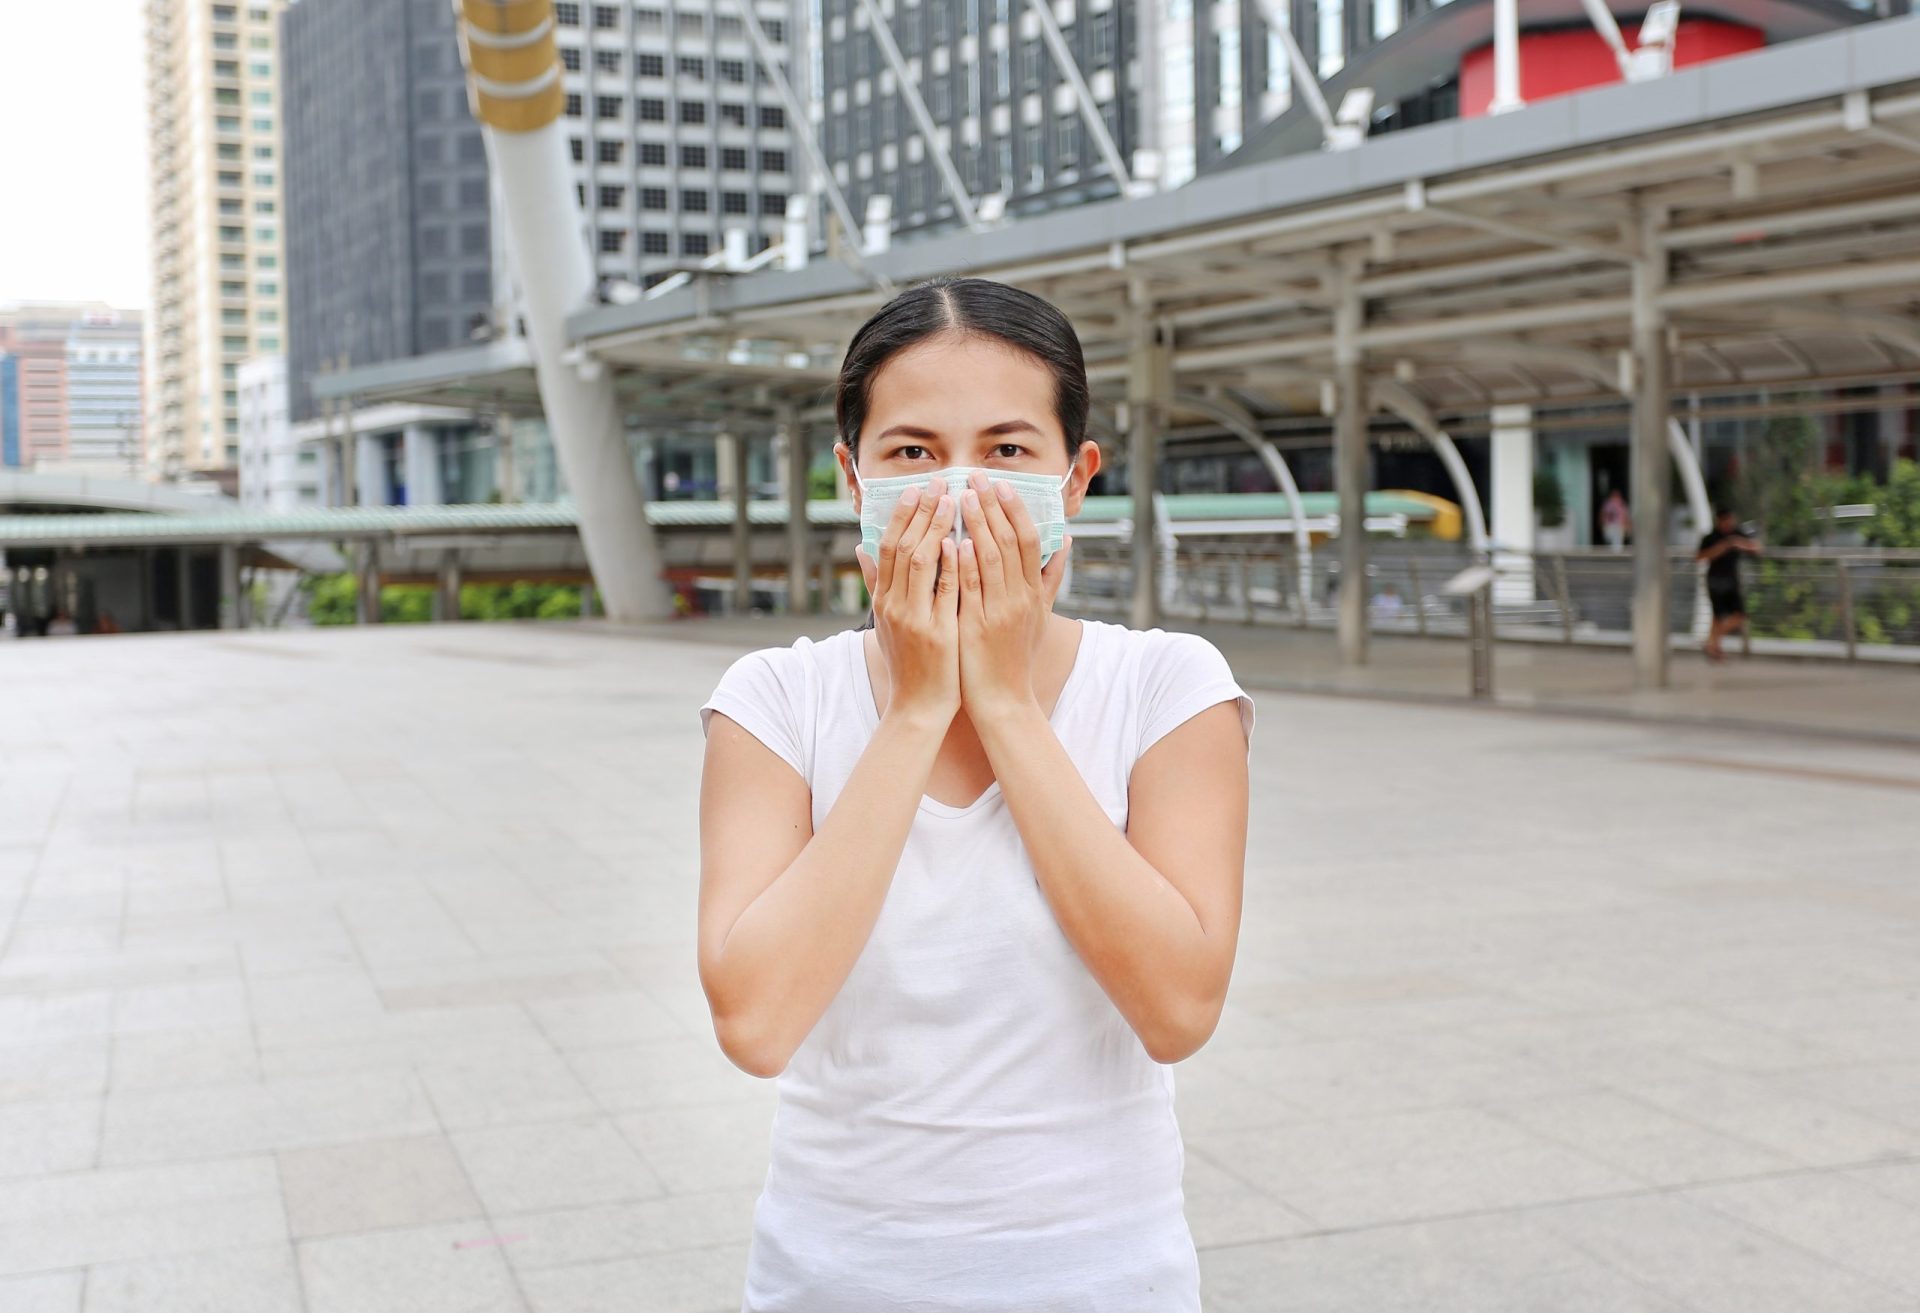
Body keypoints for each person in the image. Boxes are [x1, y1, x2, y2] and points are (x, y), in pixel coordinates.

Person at [697, 276, 1255, 1313]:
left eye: (1007, 451)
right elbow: (757, 1021)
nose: (960, 488)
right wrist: (916, 710)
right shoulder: (774, 700)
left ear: (1076, 476)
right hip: (832, 1279)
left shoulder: (1168, 689)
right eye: (912, 451)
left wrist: (1000, 699)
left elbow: (1178, 1007)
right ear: (852, 476)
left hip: (1106, 1280)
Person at [1696, 507, 1761, 662]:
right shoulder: (1711, 537)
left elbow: (1756, 548)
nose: (1730, 523)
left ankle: (1711, 642)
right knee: (1717, 616)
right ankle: (1714, 649)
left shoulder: (1737, 534)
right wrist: (1723, 547)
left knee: (1740, 615)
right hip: (1715, 581)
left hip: (1732, 581)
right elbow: (1700, 557)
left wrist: (1738, 543)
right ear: (1720, 521)